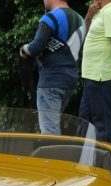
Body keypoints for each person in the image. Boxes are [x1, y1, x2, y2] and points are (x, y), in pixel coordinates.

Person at [20, 0, 86, 135]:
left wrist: (23, 49)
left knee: (50, 132)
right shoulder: (80, 19)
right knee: (53, 125)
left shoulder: (51, 17)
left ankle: (53, 150)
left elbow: (35, 47)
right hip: (69, 81)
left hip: (51, 81)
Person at [78, 0, 111, 143]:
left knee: (102, 126)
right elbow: (83, 34)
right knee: (84, 122)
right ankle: (81, 156)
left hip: (100, 76)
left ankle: (104, 157)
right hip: (92, 76)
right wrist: (89, 16)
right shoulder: (100, 12)